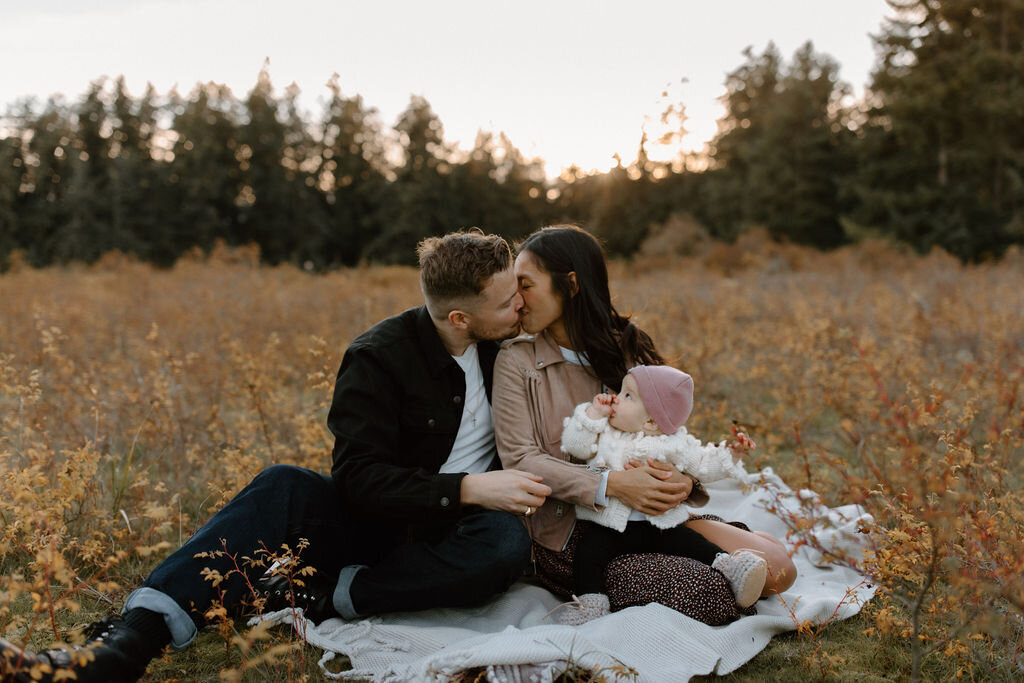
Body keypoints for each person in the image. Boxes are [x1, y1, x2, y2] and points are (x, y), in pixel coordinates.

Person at [0, 230, 550, 683]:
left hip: (456, 537)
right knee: (281, 483)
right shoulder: (378, 357)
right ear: (458, 317)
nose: (519, 305)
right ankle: (126, 644)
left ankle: (329, 593)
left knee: (504, 546)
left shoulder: (510, 346)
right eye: (507, 301)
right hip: (376, 522)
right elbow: (359, 480)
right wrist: (467, 487)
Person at [492, 225, 797, 627]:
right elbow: (520, 459)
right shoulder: (516, 362)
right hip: (577, 532)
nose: (516, 298)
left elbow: (667, 428)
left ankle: (735, 546)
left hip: (654, 517)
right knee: (709, 594)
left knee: (779, 571)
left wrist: (683, 481)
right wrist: (611, 484)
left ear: (569, 285)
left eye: (526, 285)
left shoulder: (628, 346)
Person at [559, 365, 768, 624]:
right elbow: (574, 445)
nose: (615, 397)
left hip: (658, 524)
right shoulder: (605, 432)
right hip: (609, 526)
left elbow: (703, 464)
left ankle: (731, 567)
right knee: (588, 554)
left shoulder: (673, 443)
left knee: (690, 542)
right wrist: (592, 414)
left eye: (627, 396)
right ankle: (591, 604)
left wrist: (730, 454)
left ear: (650, 422)